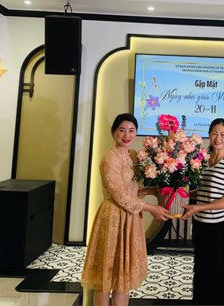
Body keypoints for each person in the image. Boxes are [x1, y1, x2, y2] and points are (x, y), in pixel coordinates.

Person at [81, 113, 172, 306]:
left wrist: (155, 190)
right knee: (105, 279)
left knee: (123, 280)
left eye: (131, 130)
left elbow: (132, 189)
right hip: (113, 218)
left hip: (131, 219)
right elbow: (120, 195)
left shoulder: (134, 155)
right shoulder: (110, 158)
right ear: (114, 132)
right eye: (122, 130)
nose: (127, 135)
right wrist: (151, 208)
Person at [180, 118, 224, 305]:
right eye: (215, 133)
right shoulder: (203, 159)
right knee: (203, 270)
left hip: (221, 227)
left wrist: (199, 207)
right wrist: (181, 194)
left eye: (223, 134)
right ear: (209, 135)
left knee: (221, 274)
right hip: (202, 225)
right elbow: (203, 190)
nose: (218, 138)